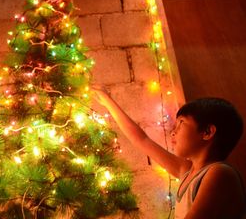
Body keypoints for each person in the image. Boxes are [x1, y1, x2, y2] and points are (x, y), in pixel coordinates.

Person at [93, 88, 246, 219]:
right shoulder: (187, 170)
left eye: (181, 123)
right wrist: (107, 101)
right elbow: (142, 140)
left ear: (207, 132)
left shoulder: (219, 173)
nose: (173, 132)